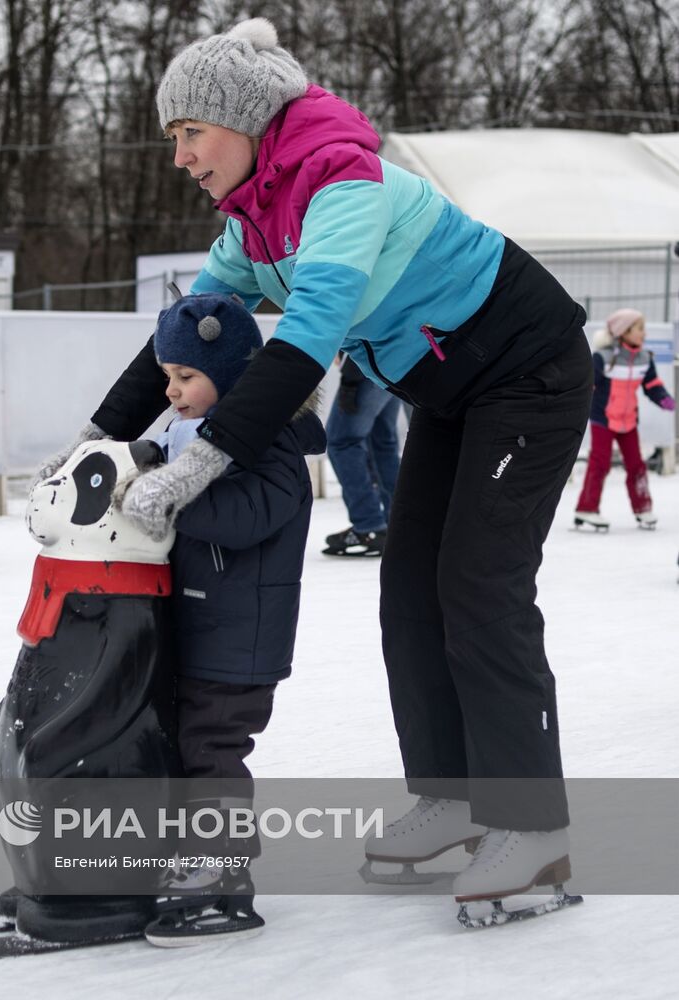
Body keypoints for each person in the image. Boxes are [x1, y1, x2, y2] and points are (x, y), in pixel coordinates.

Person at [36, 17, 593, 914]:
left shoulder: (342, 182)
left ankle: (532, 827)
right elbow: (188, 329)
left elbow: (306, 339)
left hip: (530, 371)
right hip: (452, 393)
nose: (178, 156)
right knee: (409, 588)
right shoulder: (256, 216)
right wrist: (96, 437)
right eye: (171, 137)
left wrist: (204, 461)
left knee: (480, 588)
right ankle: (451, 795)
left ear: (246, 124)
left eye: (190, 133)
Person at [140, 293, 324, 945]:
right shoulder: (194, 437)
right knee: (186, 749)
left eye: (186, 376)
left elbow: (241, 519)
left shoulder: (271, 441)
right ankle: (190, 855)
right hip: (202, 631)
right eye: (167, 377)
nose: (173, 390)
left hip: (239, 644)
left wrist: (169, 497)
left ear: (233, 375)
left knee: (212, 753)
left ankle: (224, 882)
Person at [572, 308, 674, 531]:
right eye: (639, 329)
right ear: (623, 331)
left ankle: (643, 507)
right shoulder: (604, 357)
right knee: (600, 462)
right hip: (603, 418)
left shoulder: (645, 358)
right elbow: (588, 384)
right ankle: (586, 509)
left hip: (628, 421)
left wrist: (666, 400)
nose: (643, 334)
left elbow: (652, 385)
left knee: (637, 464)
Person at [322, 356, 402, 556]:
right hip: (395, 366)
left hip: (367, 368)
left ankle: (369, 525)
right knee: (382, 444)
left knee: (342, 441)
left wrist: (350, 378)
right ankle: (397, 524)